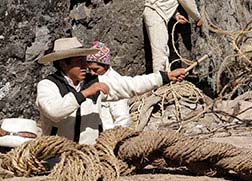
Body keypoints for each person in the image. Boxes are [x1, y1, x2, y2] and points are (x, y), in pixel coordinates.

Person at [36, 37, 187, 145]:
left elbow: (130, 85)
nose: (85, 66)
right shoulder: (48, 85)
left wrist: (165, 77)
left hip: (91, 153)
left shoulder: (94, 81)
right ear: (63, 64)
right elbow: (54, 112)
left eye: (84, 61)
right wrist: (86, 93)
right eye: (79, 62)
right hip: (58, 153)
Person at [144, 0, 203, 73]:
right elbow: (186, 0)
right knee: (160, 53)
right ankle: (160, 84)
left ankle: (163, 78)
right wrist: (197, 18)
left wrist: (175, 15)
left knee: (162, 49)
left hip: (152, 11)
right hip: (156, 15)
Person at [86, 41, 131, 130]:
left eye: (95, 69)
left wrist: (113, 140)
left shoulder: (115, 83)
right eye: (89, 69)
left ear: (106, 66)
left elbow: (122, 118)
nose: (92, 73)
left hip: (106, 134)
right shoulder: (91, 79)